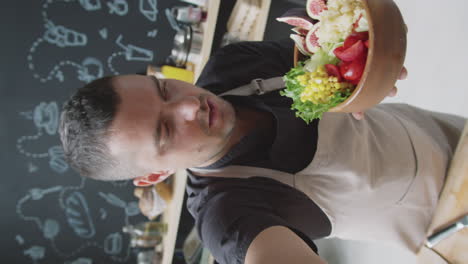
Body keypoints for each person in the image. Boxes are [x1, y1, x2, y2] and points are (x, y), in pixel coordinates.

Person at [59, 38, 466, 264]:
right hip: (457, 229)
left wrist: (372, 69)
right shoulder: (226, 215)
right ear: (154, 176)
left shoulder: (235, 63)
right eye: (165, 131)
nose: (190, 105)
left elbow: (341, 63)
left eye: (164, 89)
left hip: (455, 136)